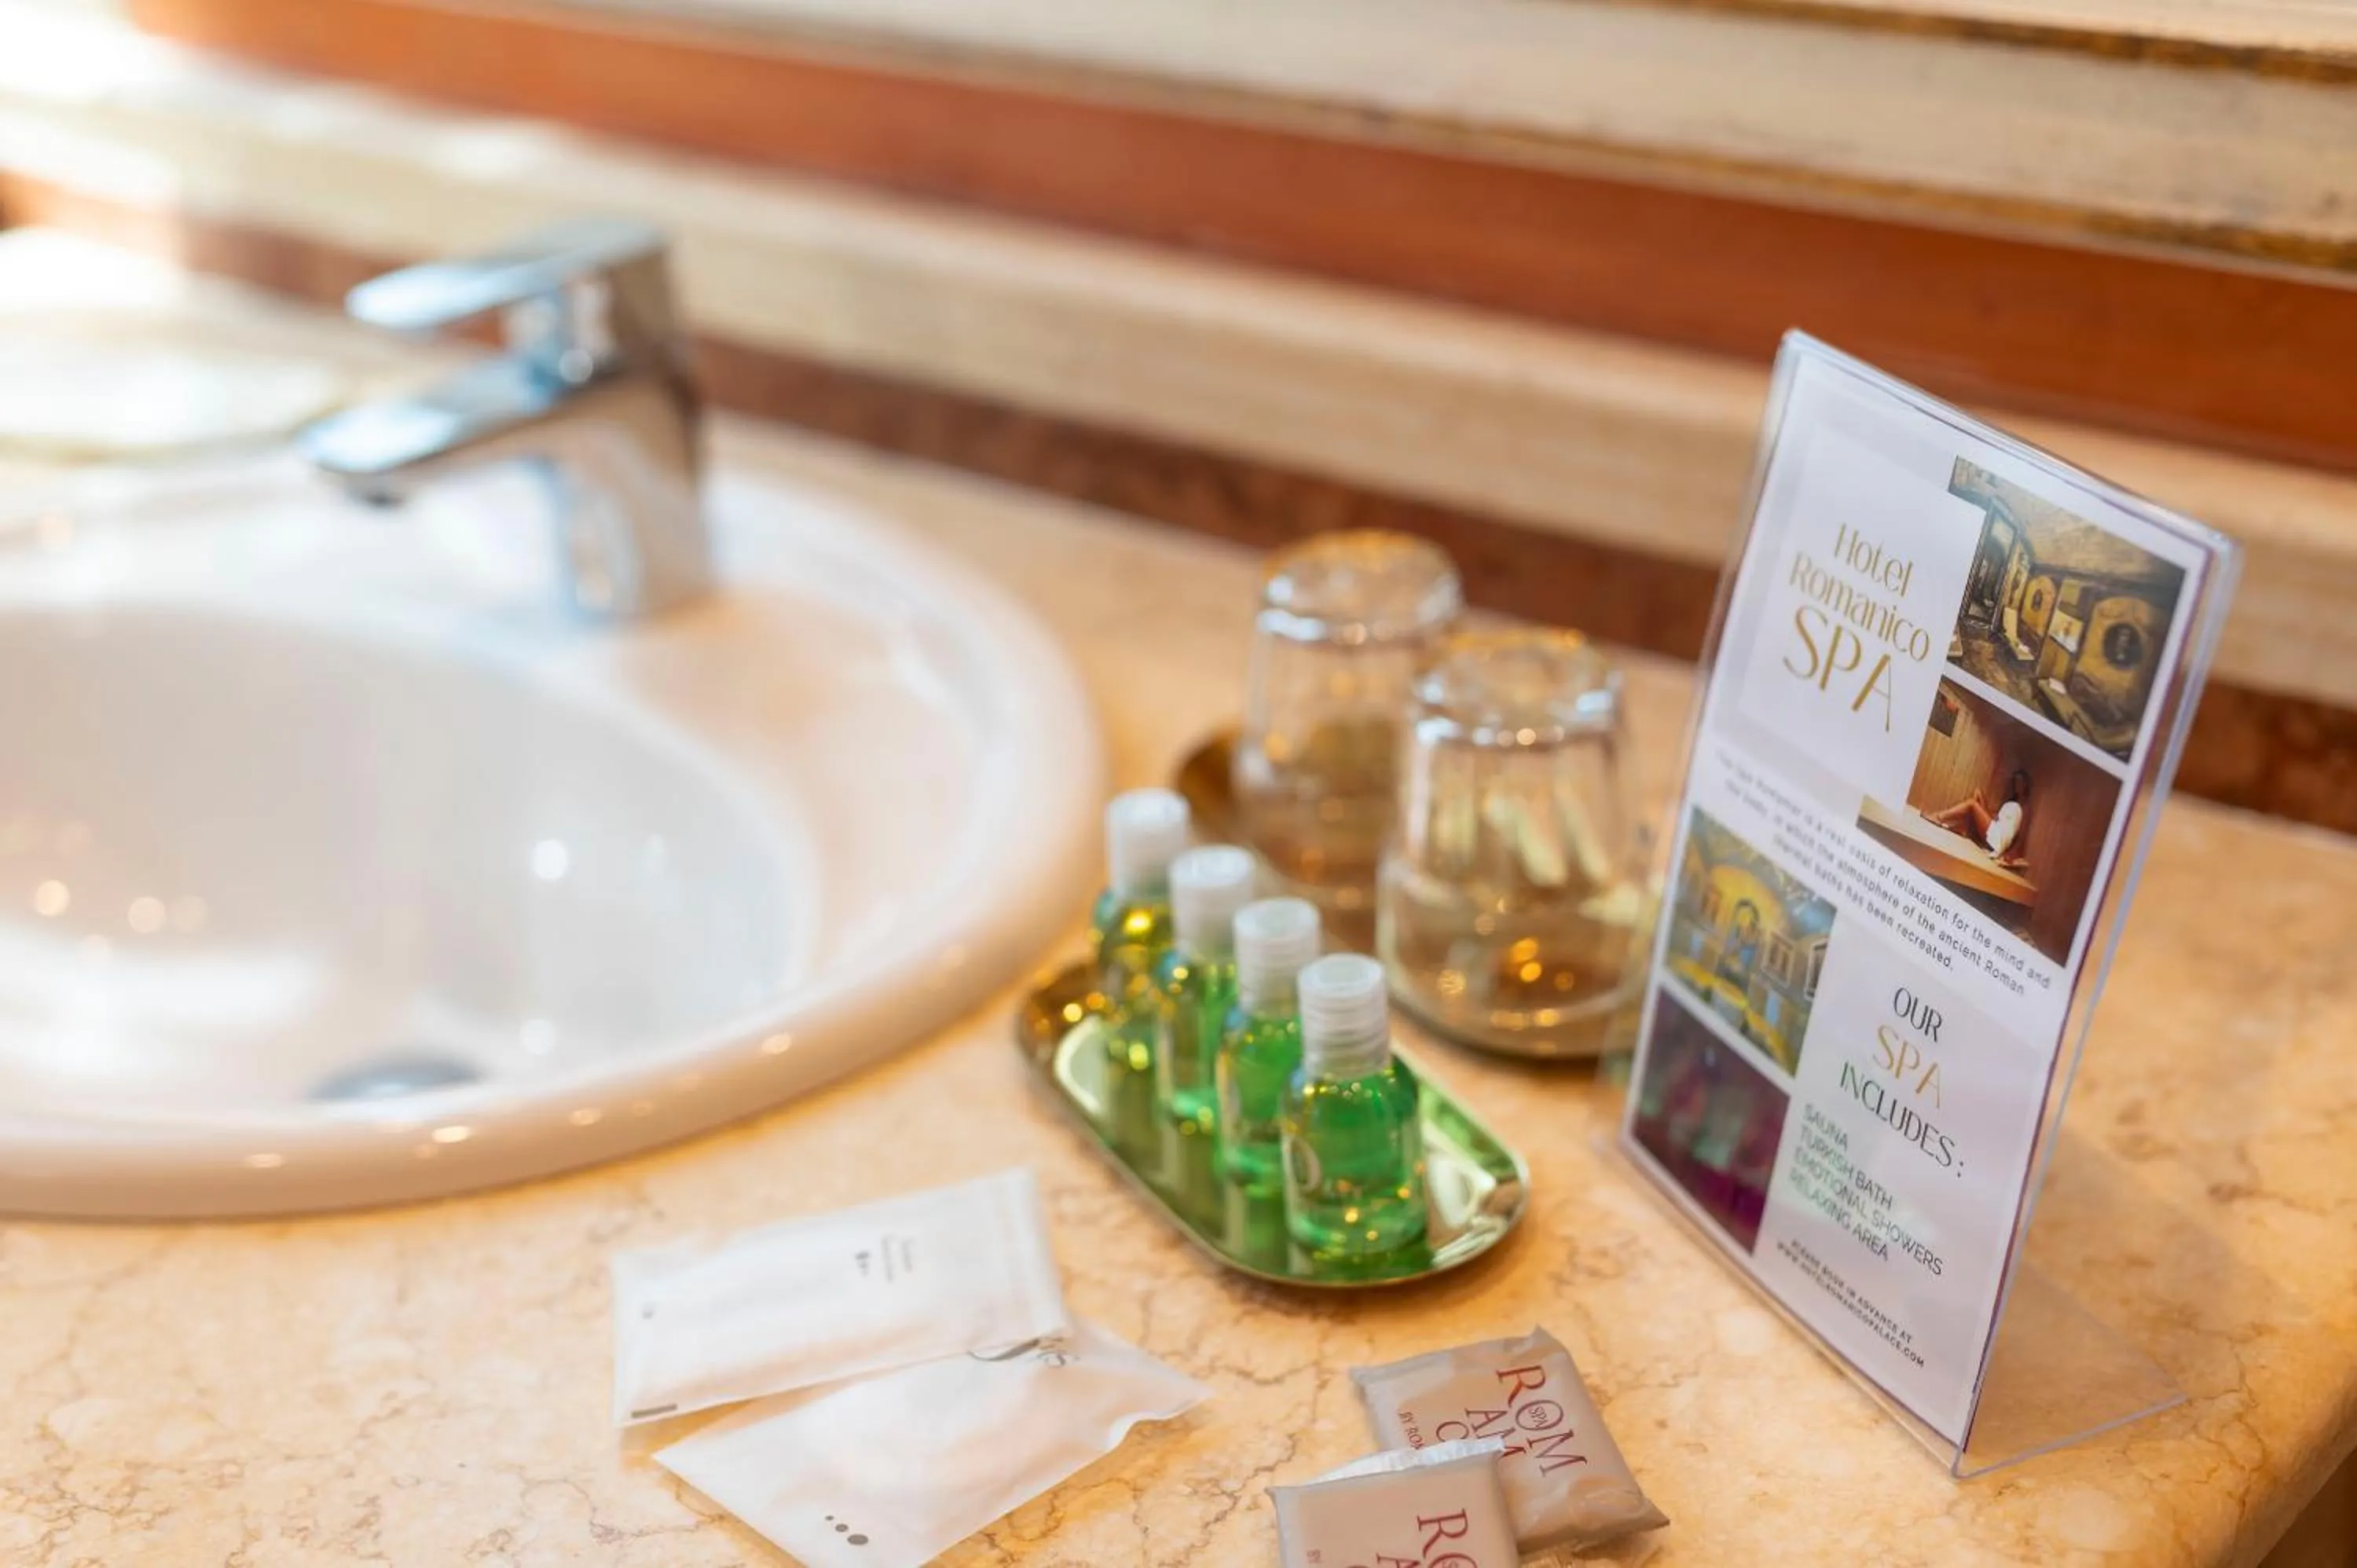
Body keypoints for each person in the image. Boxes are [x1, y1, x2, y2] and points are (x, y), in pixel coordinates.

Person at [1927, 768, 2032, 869]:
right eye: (2016, 782)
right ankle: (1964, 828)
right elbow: (1997, 818)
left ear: (2025, 785)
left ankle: (1939, 817)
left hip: (1999, 839)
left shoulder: (2025, 807)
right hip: (1997, 831)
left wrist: (2009, 856)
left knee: (1972, 804)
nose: (2017, 785)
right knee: (1978, 793)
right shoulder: (2011, 803)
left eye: (2020, 782)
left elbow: (2020, 837)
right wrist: (1983, 807)